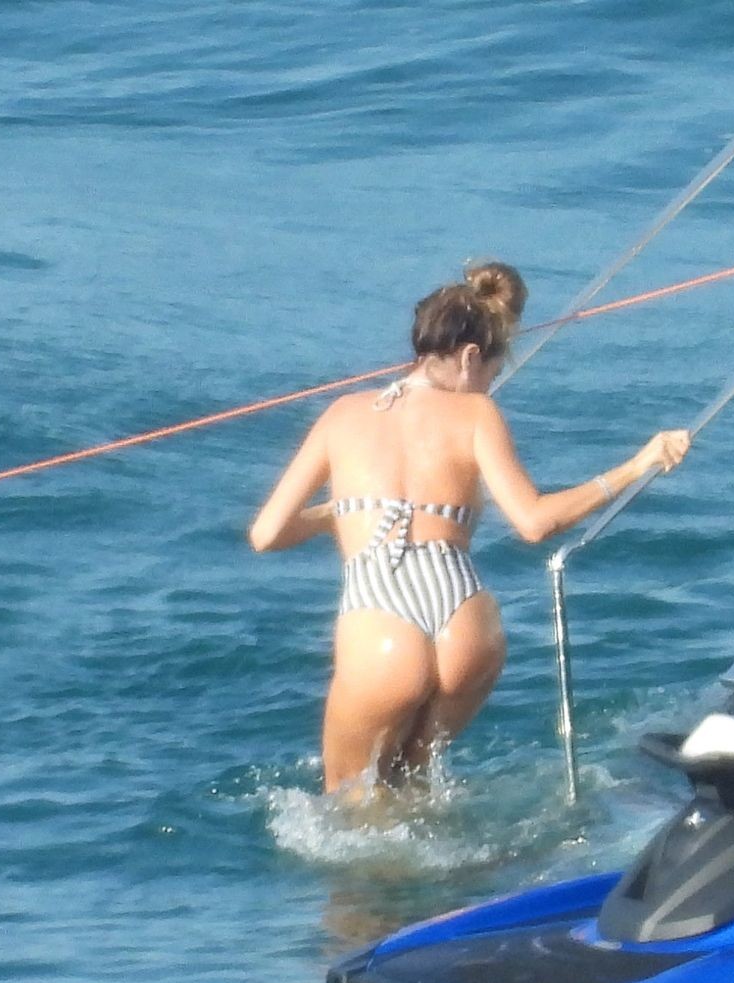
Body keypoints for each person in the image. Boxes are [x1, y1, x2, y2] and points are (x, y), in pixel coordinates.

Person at [249, 261, 691, 795]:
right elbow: (534, 522)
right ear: (470, 357)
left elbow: (266, 534)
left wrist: (332, 517)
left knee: (350, 805)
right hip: (464, 619)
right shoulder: (479, 415)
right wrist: (637, 464)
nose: (490, 383)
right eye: (493, 371)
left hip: (378, 614)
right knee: (417, 784)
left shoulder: (343, 413)